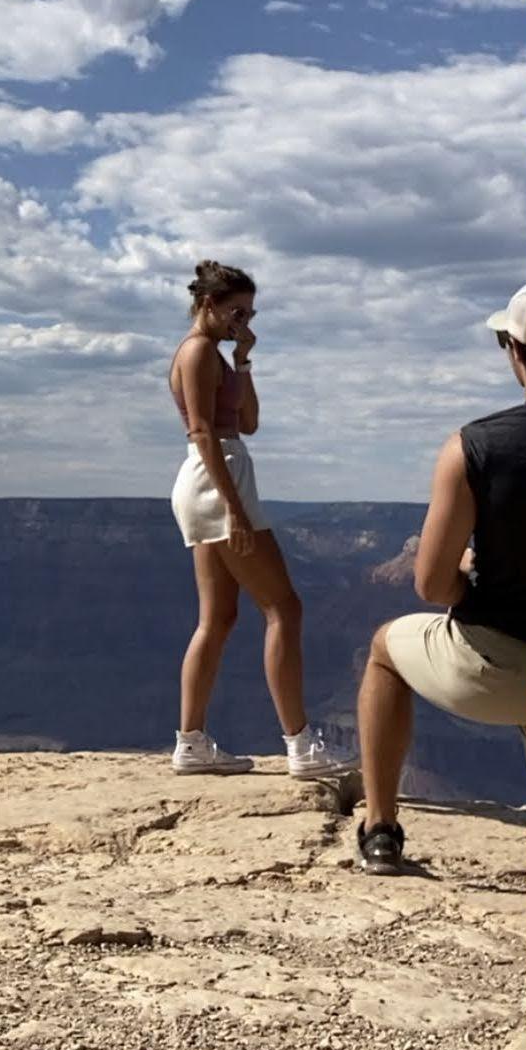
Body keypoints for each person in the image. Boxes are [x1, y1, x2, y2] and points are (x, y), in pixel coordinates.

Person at [354, 283, 526, 874]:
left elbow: (430, 586)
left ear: (514, 350)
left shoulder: (474, 448)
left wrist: (463, 573)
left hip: (499, 666)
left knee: (384, 649)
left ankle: (380, 828)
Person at [166, 260, 354, 779]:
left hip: (216, 475)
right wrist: (234, 509)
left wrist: (245, 361)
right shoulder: (199, 351)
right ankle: (301, 747)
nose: (241, 321)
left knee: (219, 618)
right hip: (217, 479)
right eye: (235, 312)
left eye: (248, 313)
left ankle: (192, 743)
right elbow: (203, 432)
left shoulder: (218, 354)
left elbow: (247, 423)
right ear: (207, 305)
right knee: (284, 609)